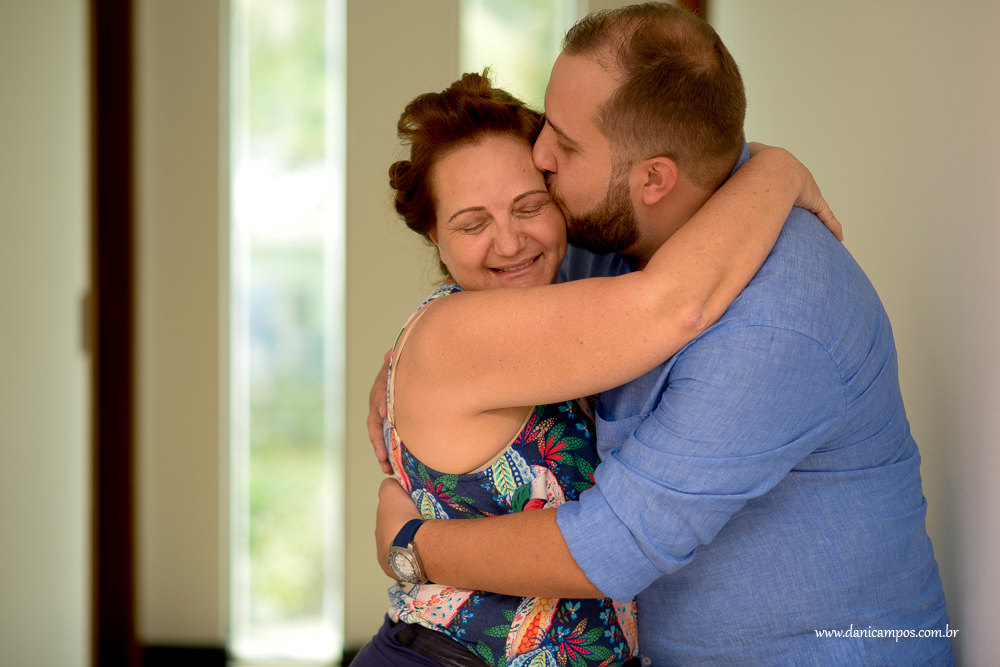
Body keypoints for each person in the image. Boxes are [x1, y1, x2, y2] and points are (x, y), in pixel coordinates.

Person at [371, 4, 954, 667]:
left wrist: (414, 545)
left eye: (566, 144)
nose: (541, 156)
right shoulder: (605, 238)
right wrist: (409, 375)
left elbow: (611, 548)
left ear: (654, 178)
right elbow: (482, 331)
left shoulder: (775, 320)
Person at [351, 69, 837, 667]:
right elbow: (673, 304)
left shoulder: (561, 300)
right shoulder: (461, 332)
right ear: (433, 233)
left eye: (530, 206)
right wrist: (776, 170)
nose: (510, 243)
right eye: (472, 224)